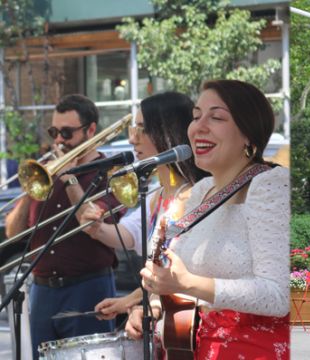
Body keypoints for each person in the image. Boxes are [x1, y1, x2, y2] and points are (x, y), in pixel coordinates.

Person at [126, 80, 290, 359]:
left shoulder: (269, 184)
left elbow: (278, 295)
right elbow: (181, 281)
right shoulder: (203, 190)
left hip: (249, 350)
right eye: (196, 116)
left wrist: (187, 283)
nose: (198, 127)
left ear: (249, 134)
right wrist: (153, 304)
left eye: (216, 117)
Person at [5, 94, 125, 358]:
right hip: (43, 290)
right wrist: (30, 190)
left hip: (89, 289)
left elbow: (93, 221)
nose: (59, 140)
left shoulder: (111, 174)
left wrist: (70, 180)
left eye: (67, 132)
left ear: (91, 130)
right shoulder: (48, 173)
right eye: (54, 132)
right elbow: (13, 233)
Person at [79, 92, 209, 320]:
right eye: (133, 129)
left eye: (142, 129)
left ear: (167, 132)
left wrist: (144, 304)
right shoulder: (157, 195)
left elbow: (182, 277)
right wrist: (127, 302)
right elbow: (129, 236)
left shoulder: (196, 196)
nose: (132, 139)